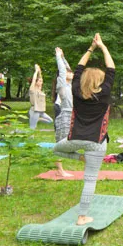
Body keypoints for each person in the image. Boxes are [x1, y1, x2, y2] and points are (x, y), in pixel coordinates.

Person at [53, 33, 115, 225]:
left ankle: (79, 157)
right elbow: (111, 68)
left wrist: (90, 48)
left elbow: (79, 68)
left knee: (56, 149)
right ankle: (82, 217)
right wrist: (102, 46)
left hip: (75, 139)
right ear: (100, 81)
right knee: (90, 180)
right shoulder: (103, 94)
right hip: (97, 144)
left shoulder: (76, 92)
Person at [48, 47, 75, 178]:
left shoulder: (70, 85)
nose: (71, 73)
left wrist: (63, 57)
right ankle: (60, 170)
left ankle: (61, 168)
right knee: (60, 143)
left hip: (72, 115)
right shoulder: (62, 85)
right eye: (68, 72)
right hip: (63, 114)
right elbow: (63, 71)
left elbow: (67, 68)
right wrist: (58, 57)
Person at [28, 64, 54, 130]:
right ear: (36, 82)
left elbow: (40, 77)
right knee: (32, 128)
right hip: (35, 110)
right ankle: (17, 132)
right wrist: (36, 71)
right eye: (40, 81)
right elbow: (34, 79)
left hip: (41, 111)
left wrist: (40, 72)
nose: (41, 82)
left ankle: (38, 119)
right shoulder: (32, 89)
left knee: (50, 120)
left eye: (41, 81)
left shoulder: (39, 89)